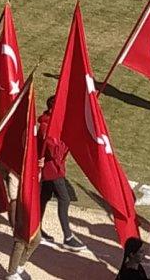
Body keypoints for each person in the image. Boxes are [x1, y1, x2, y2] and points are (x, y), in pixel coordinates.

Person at [37, 95, 86, 251]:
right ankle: (68, 237)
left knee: (44, 197)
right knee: (64, 199)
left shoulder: (53, 123)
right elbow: (54, 150)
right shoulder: (46, 126)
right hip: (52, 170)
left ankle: (35, 229)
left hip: (54, 168)